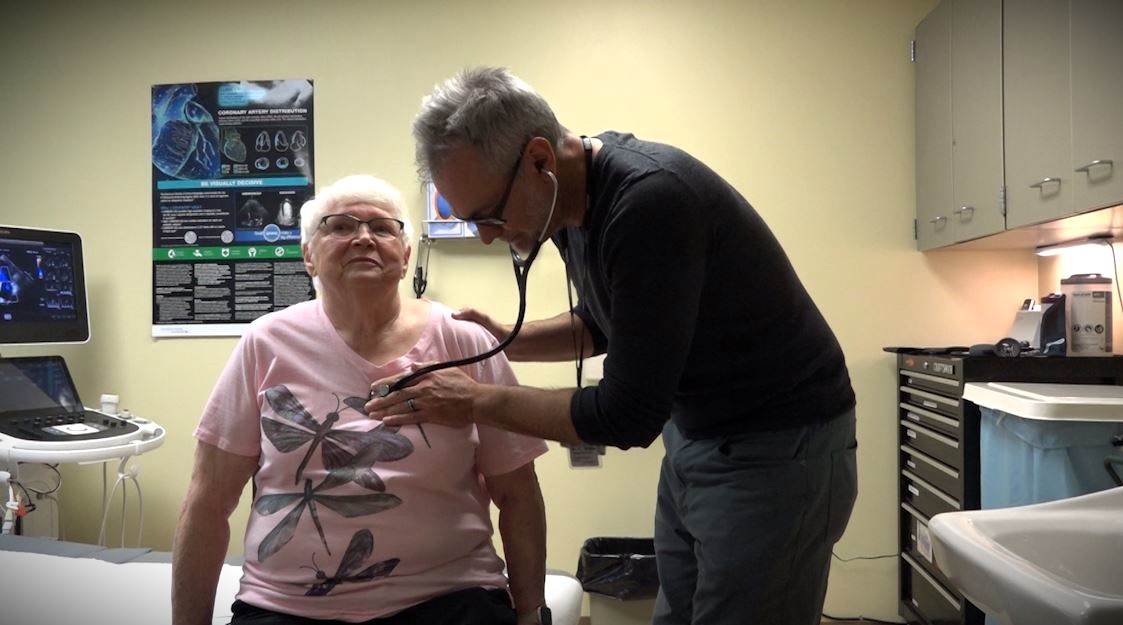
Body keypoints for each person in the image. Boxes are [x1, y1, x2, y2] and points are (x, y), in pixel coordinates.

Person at [367, 67, 858, 625]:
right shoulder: (573, 201)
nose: (486, 235)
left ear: (539, 160)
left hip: (779, 446)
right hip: (698, 437)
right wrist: (504, 341)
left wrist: (476, 398)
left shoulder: (650, 203)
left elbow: (627, 415)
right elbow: (606, 322)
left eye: (490, 215)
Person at [172, 174, 550, 625]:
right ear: (308, 255)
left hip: (449, 596)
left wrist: (531, 615)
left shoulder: (465, 340)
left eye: (383, 228)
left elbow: (518, 492)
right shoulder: (265, 343)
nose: (364, 238)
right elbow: (209, 500)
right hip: (287, 605)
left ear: (406, 256)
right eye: (341, 226)